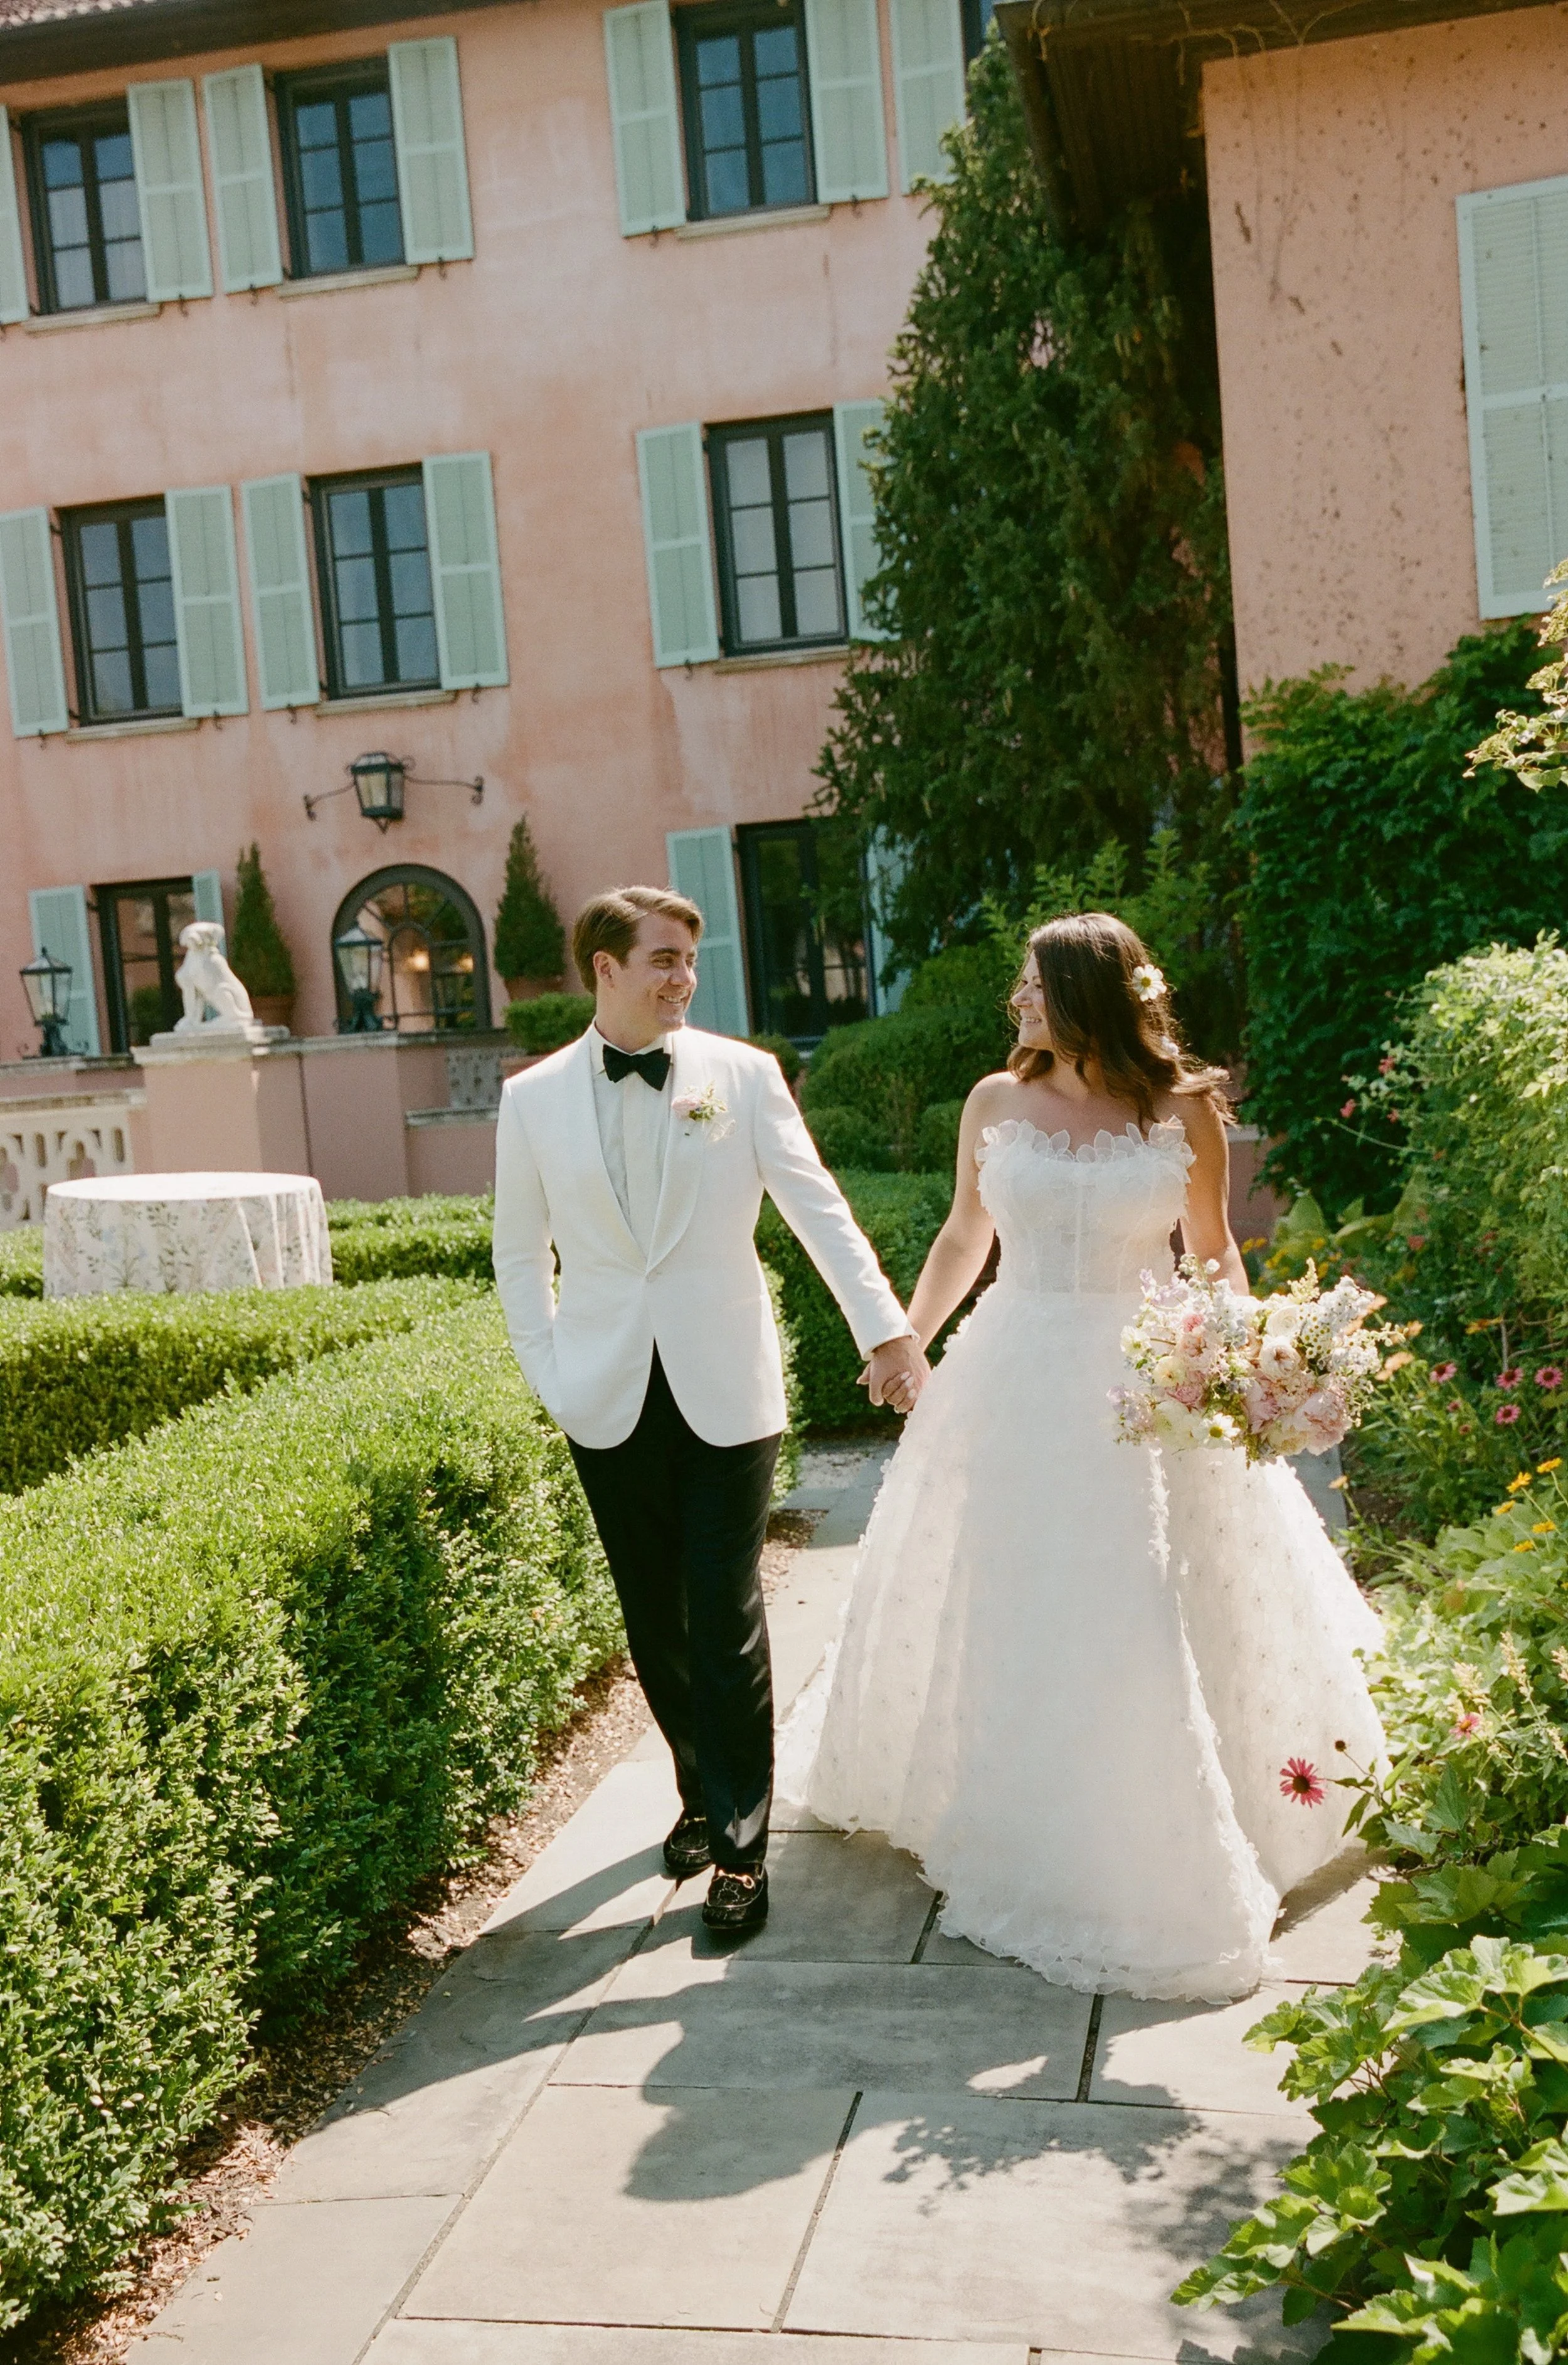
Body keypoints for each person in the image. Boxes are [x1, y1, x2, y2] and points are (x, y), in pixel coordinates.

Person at [778, 912, 1385, 2001]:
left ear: (1084, 991)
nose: (1014, 1002)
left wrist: (1254, 1366)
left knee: (1157, 1587)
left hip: (1151, 1374)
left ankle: (1194, 1811)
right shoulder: (994, 1101)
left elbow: (1212, 1251)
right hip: (1014, 1372)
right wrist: (909, 1333)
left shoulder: (1184, 1108)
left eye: (1030, 984)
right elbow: (968, 1231)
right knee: (1022, 1590)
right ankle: (1027, 1803)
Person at [492, 885, 927, 1934]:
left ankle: (741, 1844)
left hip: (727, 1385)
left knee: (723, 1611)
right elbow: (518, 1253)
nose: (685, 974)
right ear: (605, 968)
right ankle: (697, 1789)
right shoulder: (532, 1098)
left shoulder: (742, 1075)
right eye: (663, 958)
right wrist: (554, 1377)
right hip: (604, 1392)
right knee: (655, 1614)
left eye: (689, 957)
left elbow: (817, 1204)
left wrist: (886, 1329)